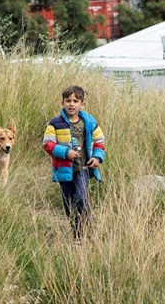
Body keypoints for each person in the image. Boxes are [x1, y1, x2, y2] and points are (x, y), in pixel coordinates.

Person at [42, 85, 106, 239]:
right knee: (68, 204)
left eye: (75, 101)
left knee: (81, 197)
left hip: (83, 168)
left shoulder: (89, 122)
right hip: (63, 170)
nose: (71, 104)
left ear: (82, 104)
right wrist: (65, 152)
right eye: (68, 100)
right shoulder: (55, 123)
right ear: (62, 103)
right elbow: (47, 144)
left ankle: (89, 227)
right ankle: (77, 235)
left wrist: (97, 157)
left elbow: (99, 141)